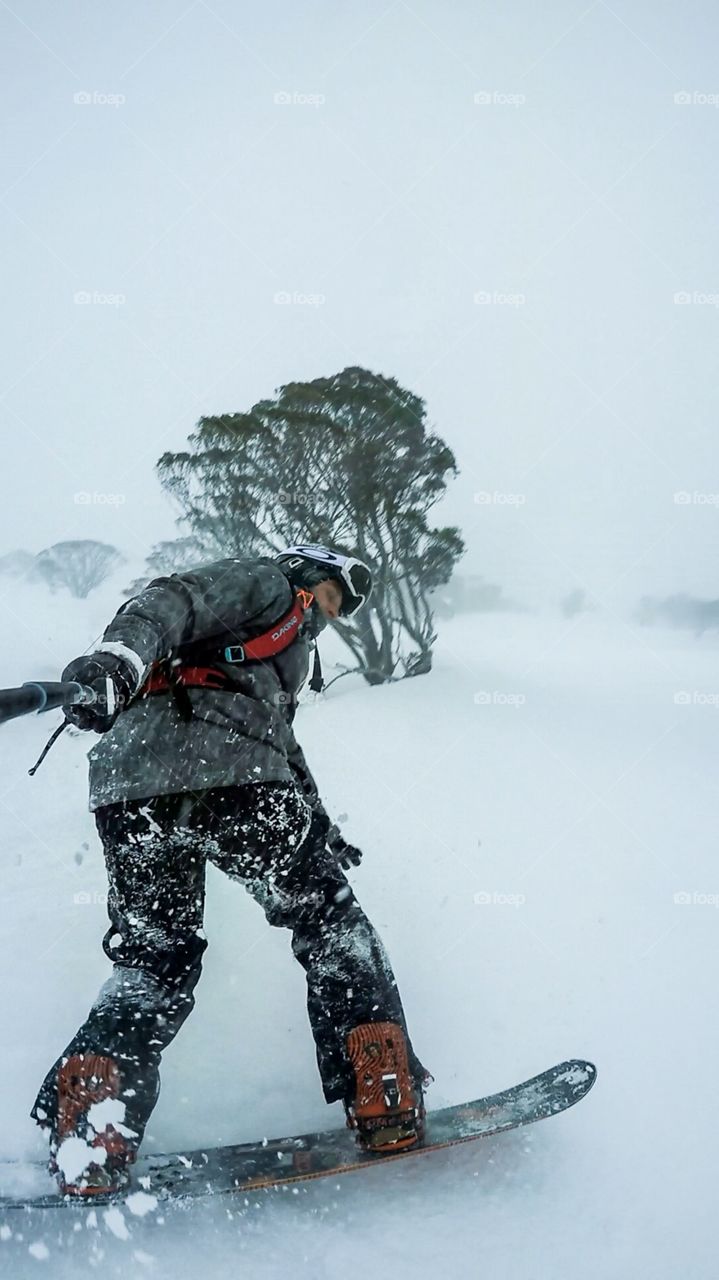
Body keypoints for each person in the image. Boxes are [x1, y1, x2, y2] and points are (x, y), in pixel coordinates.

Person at [31, 544, 427, 1197]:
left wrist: (320, 824)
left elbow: (284, 745)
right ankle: (381, 1090)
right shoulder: (264, 581)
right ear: (309, 572)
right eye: (330, 597)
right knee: (330, 924)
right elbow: (169, 600)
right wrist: (117, 660)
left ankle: (94, 1127)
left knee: (150, 963)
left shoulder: (282, 652)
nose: (328, 615)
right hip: (236, 788)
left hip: (132, 795)